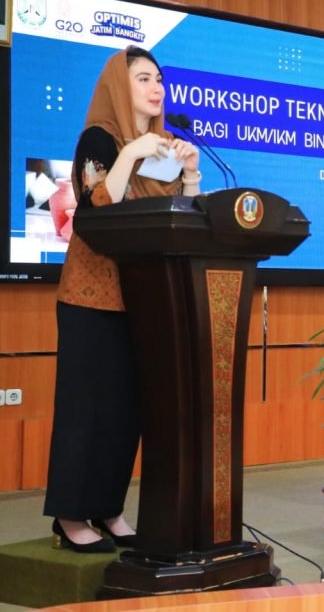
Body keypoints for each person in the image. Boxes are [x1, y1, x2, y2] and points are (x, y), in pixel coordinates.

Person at [43, 46, 201, 553]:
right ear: (119, 85)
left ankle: (109, 509)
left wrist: (191, 174)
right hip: (91, 298)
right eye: (143, 78)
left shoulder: (167, 148)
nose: (156, 88)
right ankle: (70, 515)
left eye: (159, 79)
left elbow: (181, 224)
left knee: (126, 412)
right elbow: (95, 210)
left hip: (145, 299)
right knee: (86, 410)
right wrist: (131, 153)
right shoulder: (98, 140)